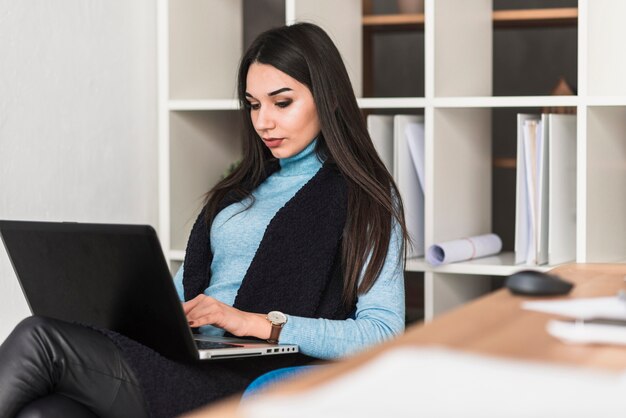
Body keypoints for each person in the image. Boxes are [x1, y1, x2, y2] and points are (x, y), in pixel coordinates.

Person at [0, 22, 408, 418]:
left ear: (329, 98)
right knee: (45, 410)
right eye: (253, 105)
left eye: (282, 102)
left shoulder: (365, 196)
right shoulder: (239, 188)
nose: (263, 121)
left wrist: (258, 324)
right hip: (188, 356)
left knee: (39, 338)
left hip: (246, 375)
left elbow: (382, 332)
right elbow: (184, 298)